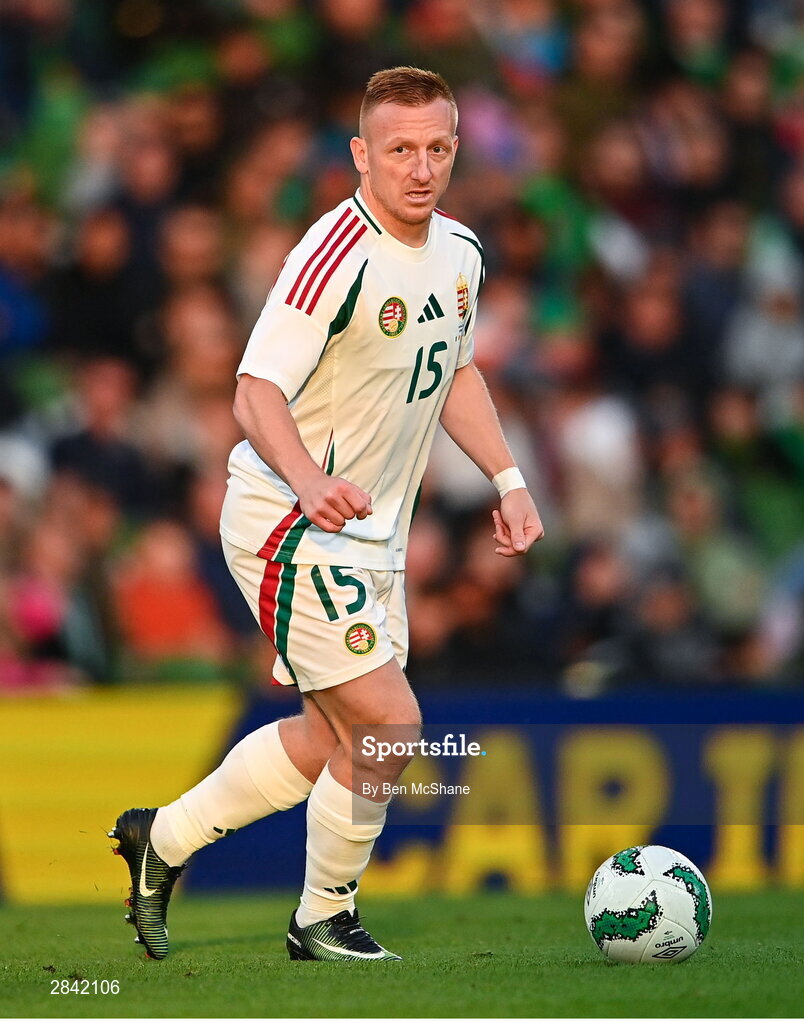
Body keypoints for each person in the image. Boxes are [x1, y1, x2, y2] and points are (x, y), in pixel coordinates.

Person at [109, 66, 544, 963]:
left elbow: (454, 370)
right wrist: (307, 479)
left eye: (436, 149)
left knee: (331, 736)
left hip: (369, 536)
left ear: (455, 151)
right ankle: (322, 917)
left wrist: (508, 477)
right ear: (361, 154)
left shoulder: (460, 253)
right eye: (399, 150)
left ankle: (163, 839)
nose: (419, 168)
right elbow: (253, 389)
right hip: (290, 519)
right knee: (390, 722)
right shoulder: (332, 254)